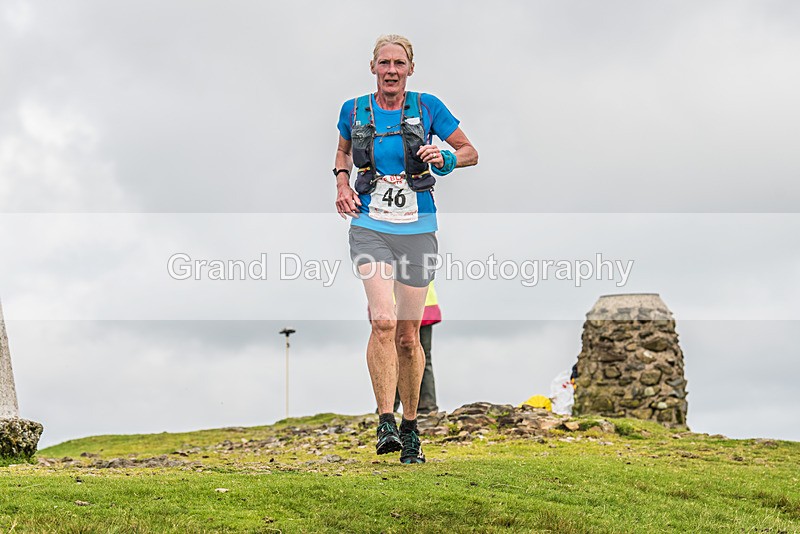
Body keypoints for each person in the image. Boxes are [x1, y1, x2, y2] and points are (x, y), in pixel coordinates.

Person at [333, 35, 477, 464]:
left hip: (417, 226)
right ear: (373, 67)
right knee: (382, 320)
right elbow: (343, 151)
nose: (391, 70)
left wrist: (445, 157)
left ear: (410, 68)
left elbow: (470, 152)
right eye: (384, 63)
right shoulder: (353, 110)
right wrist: (342, 184)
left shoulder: (428, 106)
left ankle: (411, 427)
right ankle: (385, 422)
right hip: (369, 224)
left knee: (408, 337)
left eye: (399, 63)